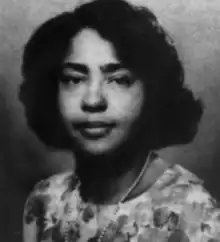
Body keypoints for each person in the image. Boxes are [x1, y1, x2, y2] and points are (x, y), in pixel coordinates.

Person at [20, 0, 220, 241]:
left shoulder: (194, 216)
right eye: (74, 79)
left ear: (152, 93)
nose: (93, 100)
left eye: (119, 79)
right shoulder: (44, 201)